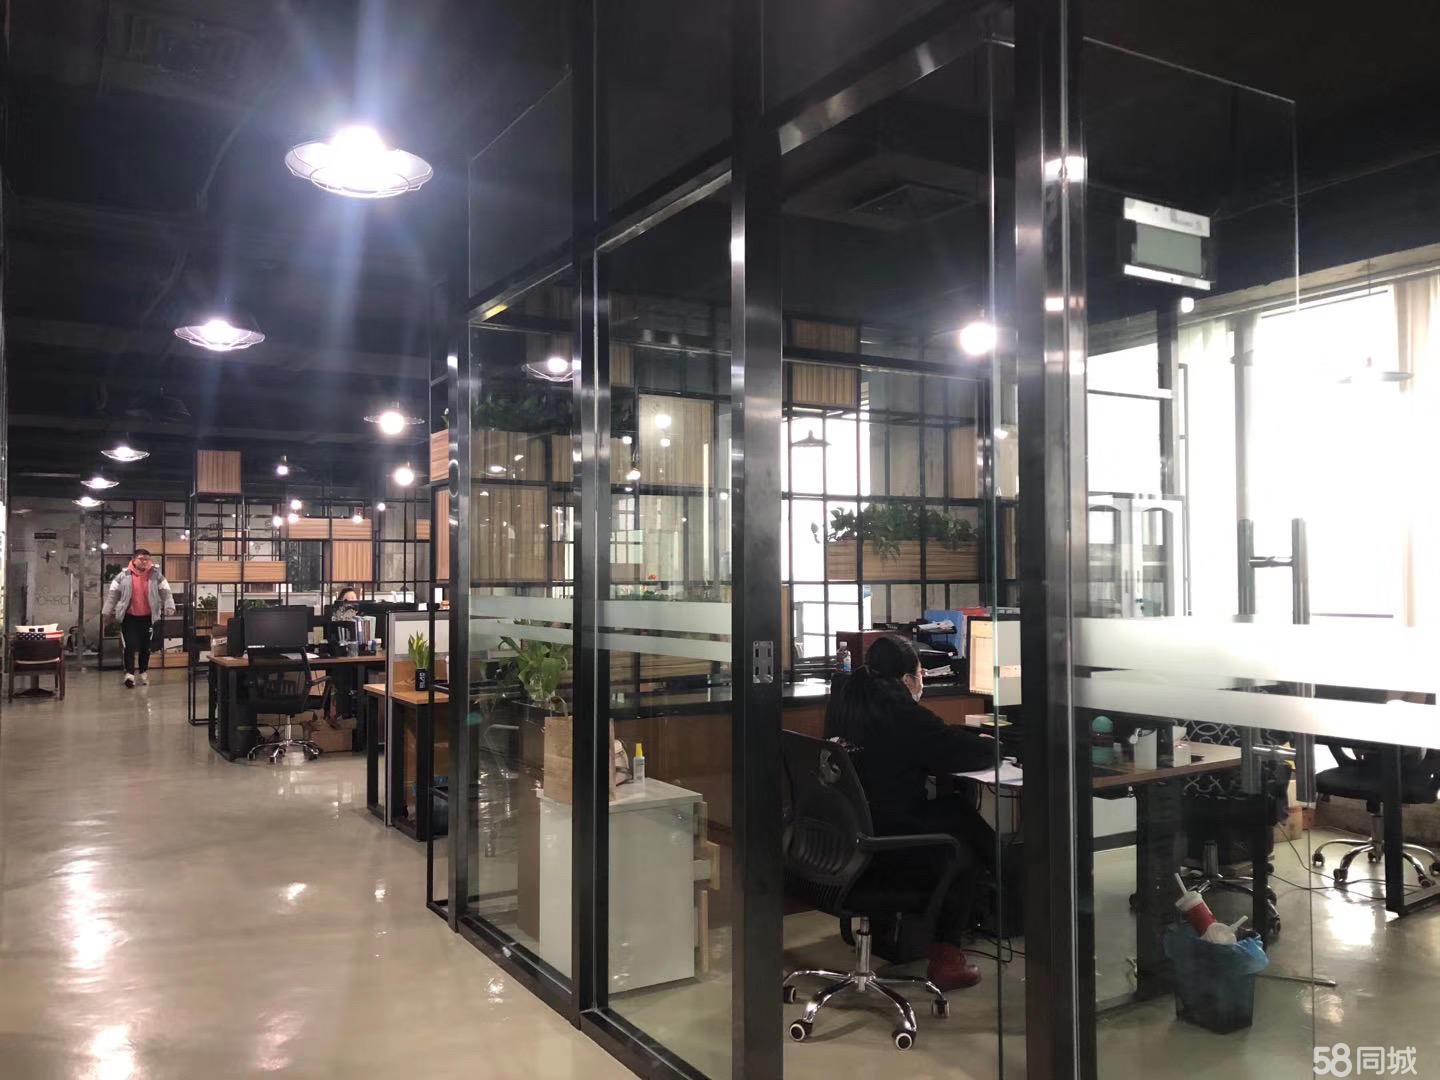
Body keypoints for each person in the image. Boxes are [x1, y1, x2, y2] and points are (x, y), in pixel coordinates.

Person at [824, 633, 997, 991]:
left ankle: (1009, 878)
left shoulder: (847, 701)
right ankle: (948, 953)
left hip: (845, 839)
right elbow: (957, 751)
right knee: (961, 836)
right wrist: (990, 746)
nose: (922, 682)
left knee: (955, 814)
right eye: (920, 674)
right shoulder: (901, 714)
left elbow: (930, 743)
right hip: (887, 842)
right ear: (905, 679)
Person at [101, 548, 176, 688]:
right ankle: (129, 675)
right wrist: (107, 612)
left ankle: (143, 672)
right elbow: (113, 595)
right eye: (141, 559)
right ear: (134, 560)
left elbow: (166, 592)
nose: (144, 562)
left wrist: (169, 606)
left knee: (145, 647)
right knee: (129, 645)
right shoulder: (122, 576)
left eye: (147, 559)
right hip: (129, 617)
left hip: (147, 617)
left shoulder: (156, 576)